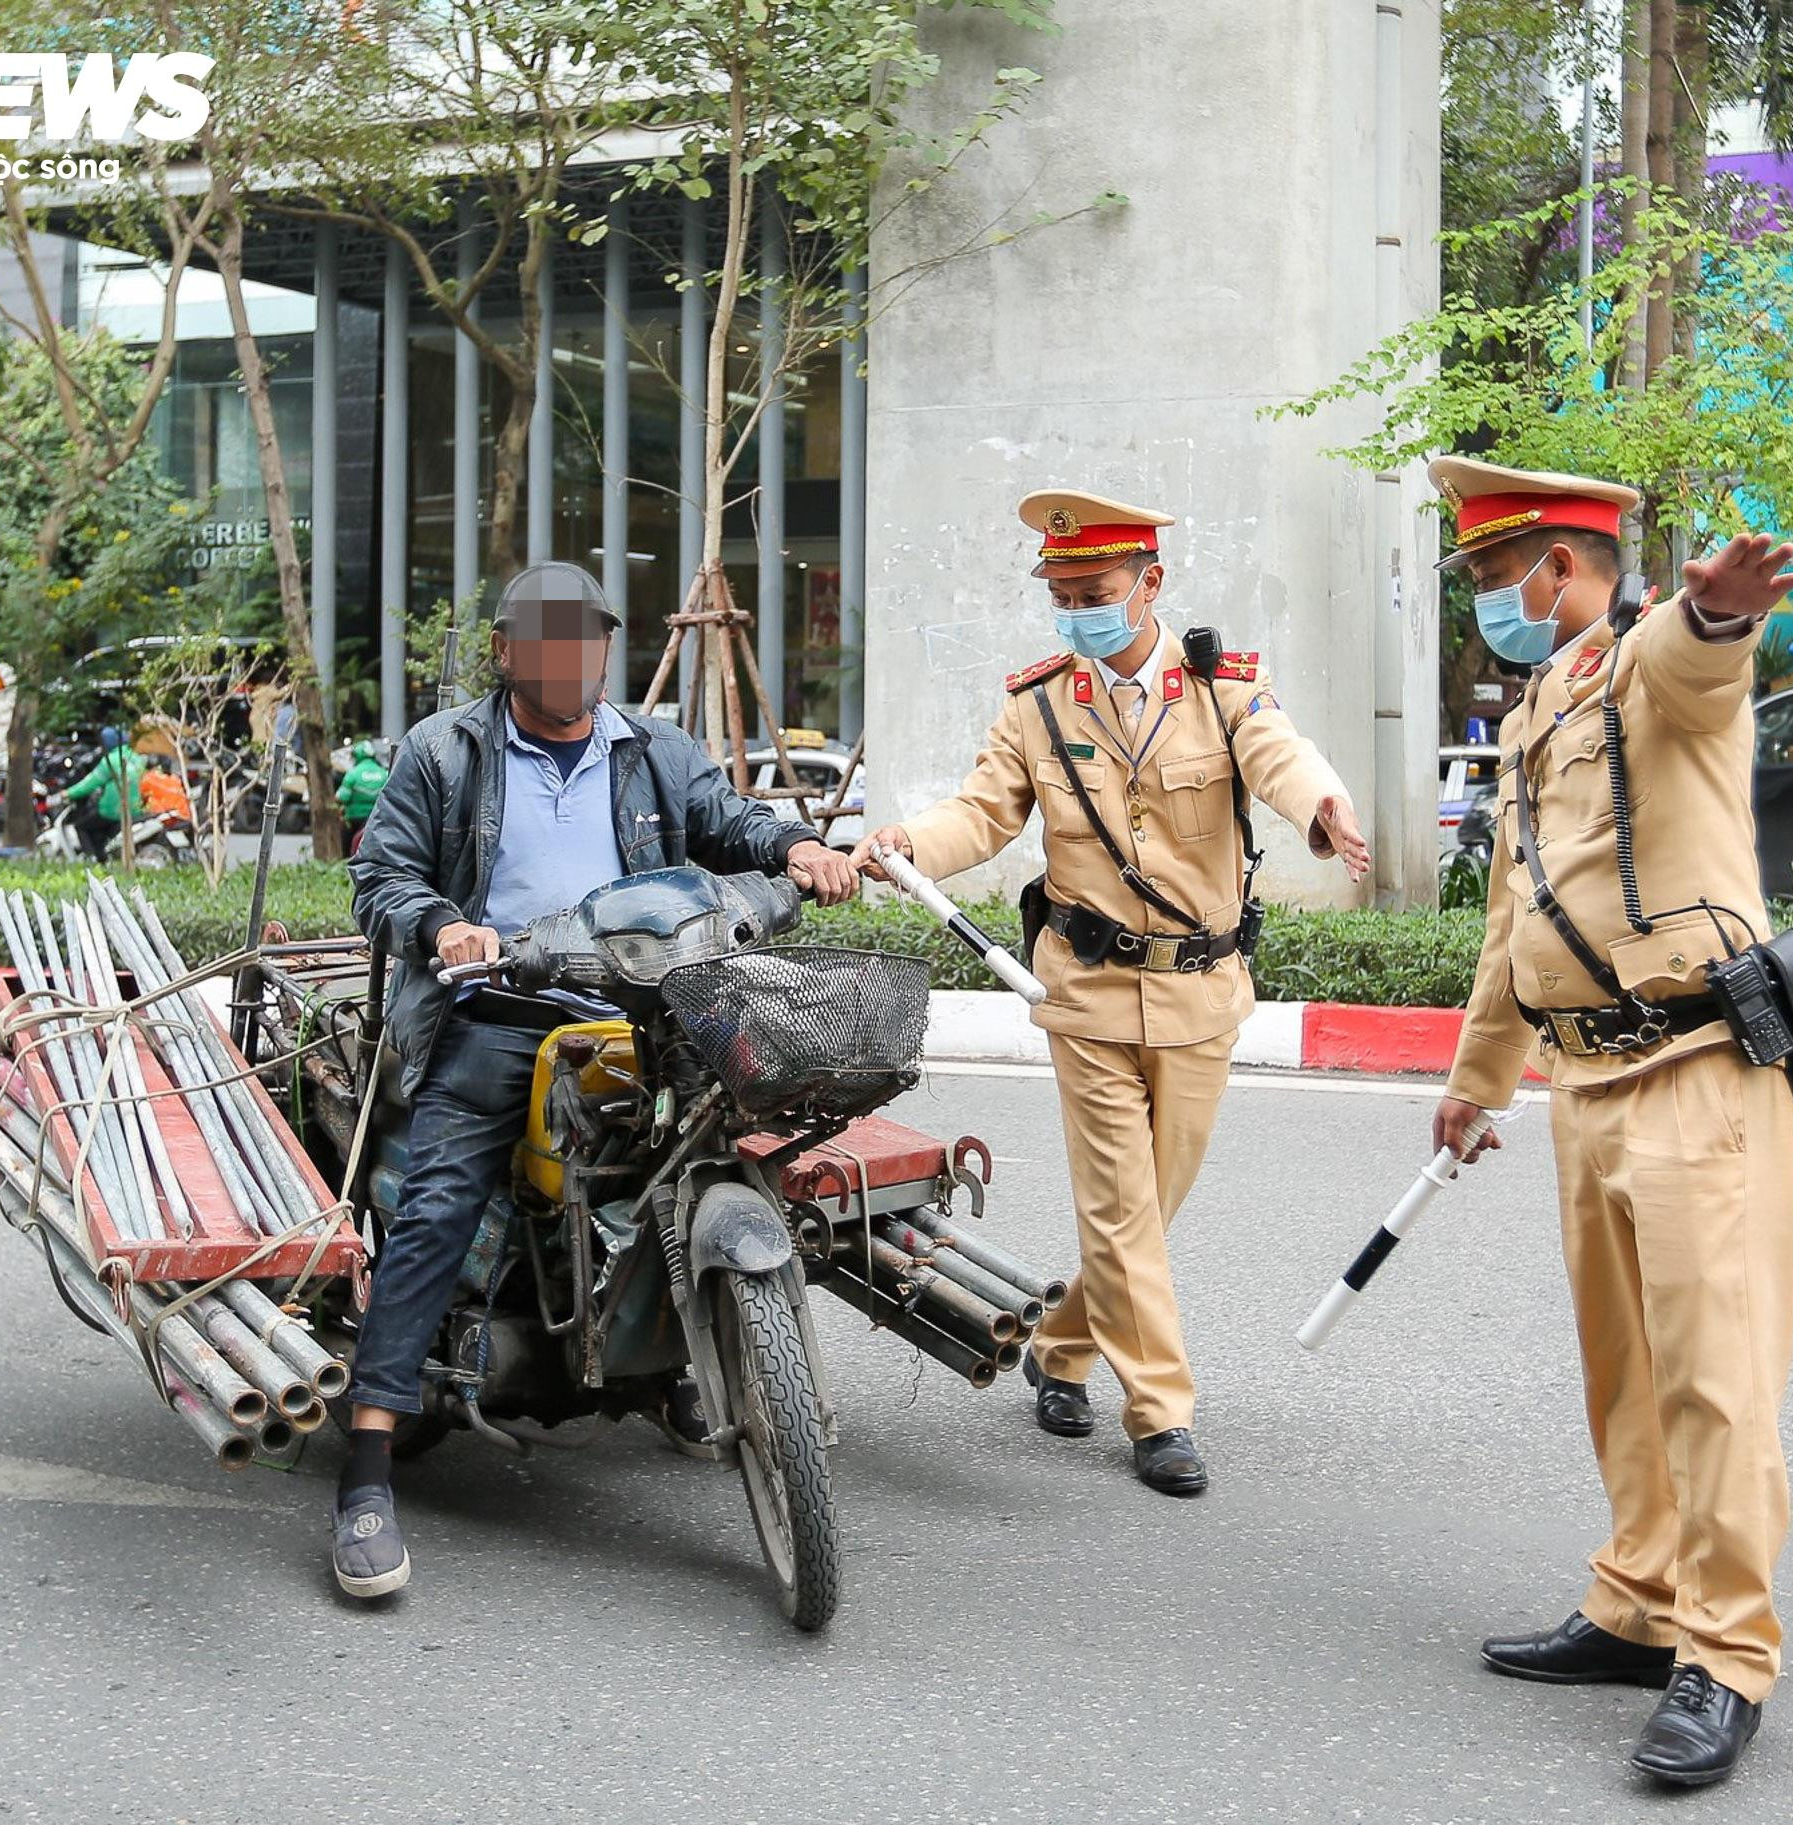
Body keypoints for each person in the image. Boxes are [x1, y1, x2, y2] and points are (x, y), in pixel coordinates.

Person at [341, 560, 862, 1600]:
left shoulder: (653, 750)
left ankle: (678, 1352)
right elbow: (382, 875)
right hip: (499, 1013)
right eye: (547, 639)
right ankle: (364, 1462)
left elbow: (733, 821)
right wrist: (442, 925)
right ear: (505, 651)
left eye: (586, 639)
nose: (570, 659)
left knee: (711, 1150)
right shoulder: (444, 751)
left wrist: (798, 846)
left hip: (646, 1006)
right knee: (438, 1207)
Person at [853, 488, 1369, 1496]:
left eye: (1092, 590)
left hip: (1199, 993)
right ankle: (1160, 1409)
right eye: (1060, 593)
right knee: (1123, 1206)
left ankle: (1060, 1342)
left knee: (1148, 1208)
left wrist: (1322, 809)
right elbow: (980, 813)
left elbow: (1279, 757)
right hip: (1084, 993)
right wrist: (909, 842)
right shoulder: (1038, 704)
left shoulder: (1222, 690)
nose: (1075, 610)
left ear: (1149, 586)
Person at [1421, 457, 1793, 1788]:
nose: (1486, 600)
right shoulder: (1538, 704)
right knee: (1625, 1373)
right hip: (1586, 1079)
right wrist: (1480, 1077)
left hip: (1695, 1062)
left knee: (1711, 1373)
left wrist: (1713, 616)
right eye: (1475, 576)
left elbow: (1695, 667)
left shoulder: (1644, 663)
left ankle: (1725, 1652)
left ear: (1563, 569)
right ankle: (1642, 1600)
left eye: (1493, 576)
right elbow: (1512, 919)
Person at [61, 725, 148, 860]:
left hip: (112, 810)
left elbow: (89, 784)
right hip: (136, 810)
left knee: (81, 827)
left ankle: (92, 859)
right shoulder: (136, 757)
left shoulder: (110, 760)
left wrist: (68, 793)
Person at [337, 738, 389, 850]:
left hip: (354, 820)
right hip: (378, 819)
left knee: (345, 847)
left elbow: (342, 798)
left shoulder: (353, 774)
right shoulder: (383, 773)